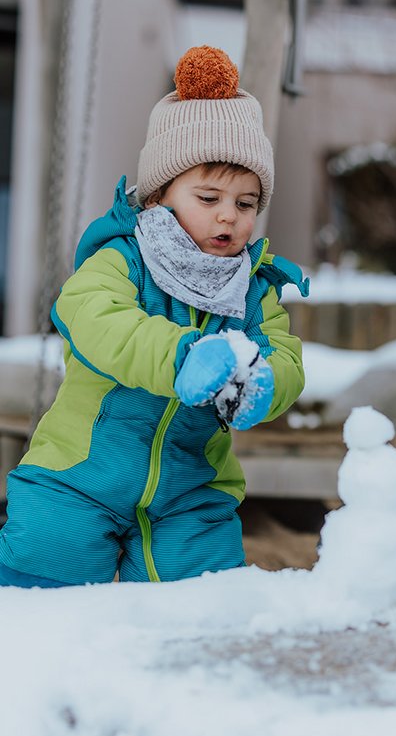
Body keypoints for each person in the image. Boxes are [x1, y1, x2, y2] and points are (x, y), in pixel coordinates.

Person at [0, 45, 308, 587]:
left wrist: (265, 381)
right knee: (42, 570)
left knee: (199, 603)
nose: (227, 216)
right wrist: (181, 355)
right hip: (80, 476)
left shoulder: (251, 288)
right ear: (161, 195)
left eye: (245, 203)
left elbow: (284, 353)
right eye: (208, 196)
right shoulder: (123, 257)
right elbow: (95, 316)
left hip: (190, 492)